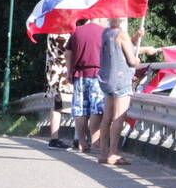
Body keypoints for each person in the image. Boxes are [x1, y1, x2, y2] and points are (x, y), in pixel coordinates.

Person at [97, 17, 158, 165]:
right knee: (118, 118)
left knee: (107, 118)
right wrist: (138, 61)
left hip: (107, 79)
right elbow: (131, 60)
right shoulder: (122, 34)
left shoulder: (106, 32)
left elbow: (120, 48)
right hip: (121, 80)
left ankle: (103, 153)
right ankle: (113, 154)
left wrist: (136, 38)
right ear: (122, 20)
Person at [64, 18, 106, 153]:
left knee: (80, 110)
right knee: (97, 109)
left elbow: (68, 53)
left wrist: (69, 72)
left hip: (79, 74)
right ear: (100, 18)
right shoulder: (104, 32)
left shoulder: (76, 31)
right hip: (98, 74)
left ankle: (82, 142)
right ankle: (95, 142)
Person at [45, 33, 73, 149]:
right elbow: (67, 52)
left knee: (57, 105)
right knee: (58, 105)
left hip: (54, 72)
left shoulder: (51, 33)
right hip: (60, 73)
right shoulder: (61, 35)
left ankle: (54, 138)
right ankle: (54, 139)